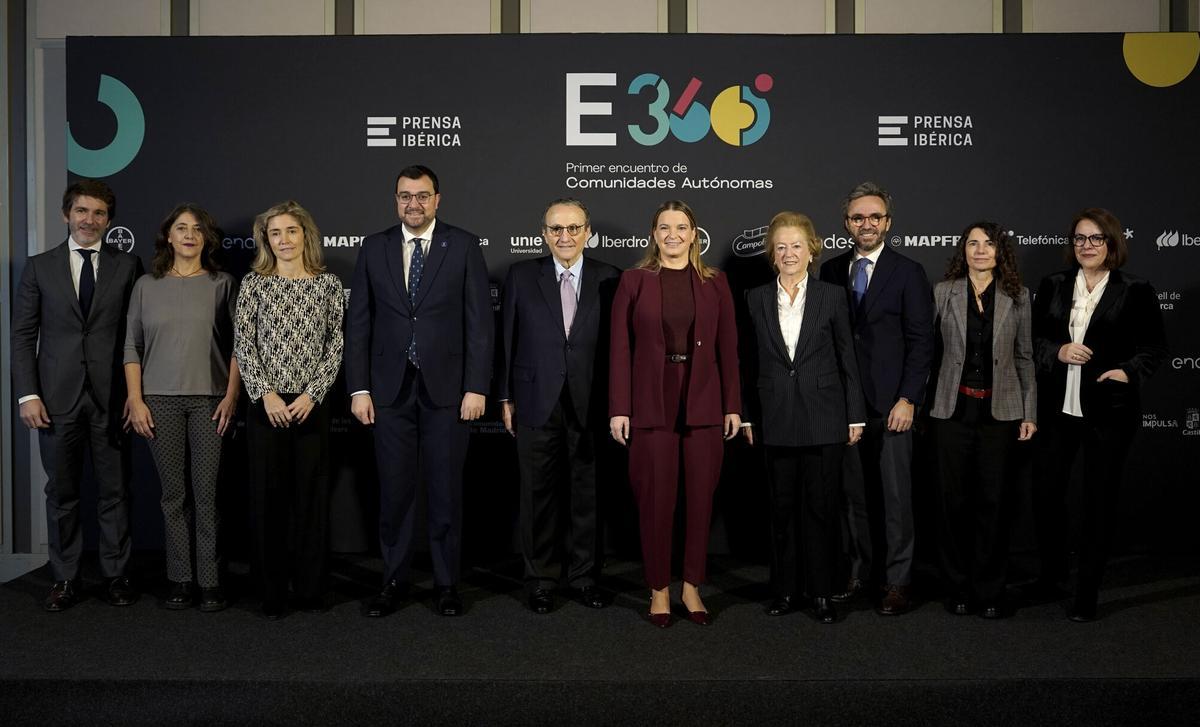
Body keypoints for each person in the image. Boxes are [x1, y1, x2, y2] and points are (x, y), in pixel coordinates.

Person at [347, 165, 493, 618]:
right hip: (389, 391)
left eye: (422, 196)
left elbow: (479, 325)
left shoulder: (464, 245)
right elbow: (359, 325)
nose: (414, 204)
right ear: (396, 200)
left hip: (448, 391)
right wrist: (359, 388)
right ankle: (393, 580)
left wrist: (476, 386)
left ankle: (447, 584)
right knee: (394, 492)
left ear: (437, 199)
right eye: (405, 196)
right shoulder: (375, 247)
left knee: (446, 491)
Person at [609, 200, 741, 628]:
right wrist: (619, 409)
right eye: (664, 227)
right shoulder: (633, 281)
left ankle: (691, 586)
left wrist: (732, 405)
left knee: (700, 500)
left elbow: (729, 350)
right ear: (653, 234)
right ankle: (659, 589)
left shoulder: (715, 282)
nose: (672, 235)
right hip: (650, 403)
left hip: (703, 400)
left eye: (680, 227)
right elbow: (620, 351)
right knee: (656, 501)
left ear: (693, 234)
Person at [12, 179, 143, 611]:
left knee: (115, 491)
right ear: (66, 214)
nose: (90, 220)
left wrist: (134, 394)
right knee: (62, 494)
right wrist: (27, 395)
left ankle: (116, 575)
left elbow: (134, 336)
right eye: (83, 211)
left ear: (109, 220)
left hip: (112, 397)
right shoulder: (39, 266)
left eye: (100, 213)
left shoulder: (128, 265)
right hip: (54, 400)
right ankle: (65, 578)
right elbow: (22, 335)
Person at [1029, 208, 1166, 622]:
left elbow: (1154, 349)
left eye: (1095, 239)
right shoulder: (1053, 284)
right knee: (1047, 496)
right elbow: (1032, 340)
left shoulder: (1136, 289)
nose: (1086, 246)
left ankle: (1086, 593)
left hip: (1109, 412)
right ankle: (1053, 577)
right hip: (1057, 411)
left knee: (1097, 502)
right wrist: (1058, 352)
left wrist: (1127, 371)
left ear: (1111, 243)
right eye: (1079, 239)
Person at [498, 198, 621, 614]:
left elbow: (619, 349)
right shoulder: (521, 276)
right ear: (543, 233)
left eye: (572, 228)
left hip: (592, 402)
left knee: (589, 495)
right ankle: (541, 580)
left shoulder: (611, 277)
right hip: (534, 400)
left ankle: (585, 577)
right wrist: (505, 397)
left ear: (587, 231)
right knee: (537, 497)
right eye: (555, 229)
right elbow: (506, 341)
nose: (564, 236)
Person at [742, 212, 864, 625]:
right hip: (775, 417)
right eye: (781, 247)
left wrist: (855, 415)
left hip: (825, 418)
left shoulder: (832, 295)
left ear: (812, 249)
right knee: (781, 510)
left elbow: (848, 356)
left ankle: (822, 592)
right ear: (771, 254)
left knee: (822, 509)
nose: (789, 253)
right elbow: (747, 361)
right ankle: (785, 590)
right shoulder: (755, 297)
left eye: (796, 245)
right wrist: (746, 417)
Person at [818, 182, 934, 615]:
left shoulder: (909, 272)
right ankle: (860, 574)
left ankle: (898, 581)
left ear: (887, 222)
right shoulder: (830, 271)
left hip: (893, 407)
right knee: (853, 497)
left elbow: (922, 341)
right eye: (857, 217)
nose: (866, 224)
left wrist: (908, 398)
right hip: (845, 405)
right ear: (846, 223)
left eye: (874, 217)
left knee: (896, 499)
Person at [124, 204, 240, 612]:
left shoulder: (222, 283)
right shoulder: (146, 285)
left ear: (206, 238)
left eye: (197, 229)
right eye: (181, 228)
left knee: (207, 494)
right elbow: (131, 346)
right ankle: (181, 579)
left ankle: (210, 580)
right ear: (168, 236)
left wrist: (231, 396)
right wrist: (135, 399)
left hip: (211, 401)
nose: (189, 234)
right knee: (173, 495)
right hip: (158, 401)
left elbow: (239, 347)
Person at [235, 200, 344, 619]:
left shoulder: (328, 285)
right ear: (266, 239)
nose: (283, 240)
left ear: (305, 236)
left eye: (291, 231)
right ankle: (272, 590)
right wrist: (266, 394)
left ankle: (312, 589)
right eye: (275, 233)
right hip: (267, 407)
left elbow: (335, 343)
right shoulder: (253, 284)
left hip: (311, 406)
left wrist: (312, 394)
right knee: (269, 499)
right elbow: (244, 344)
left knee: (312, 499)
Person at [928, 221, 1036, 619]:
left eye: (988, 244)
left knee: (993, 503)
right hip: (951, 412)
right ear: (963, 251)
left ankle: (989, 590)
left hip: (1001, 414)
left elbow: (1024, 357)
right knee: (951, 504)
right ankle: (956, 588)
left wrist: (1030, 412)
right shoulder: (944, 292)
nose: (979, 250)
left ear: (1000, 251)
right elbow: (930, 353)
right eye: (972, 244)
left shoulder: (1018, 297)